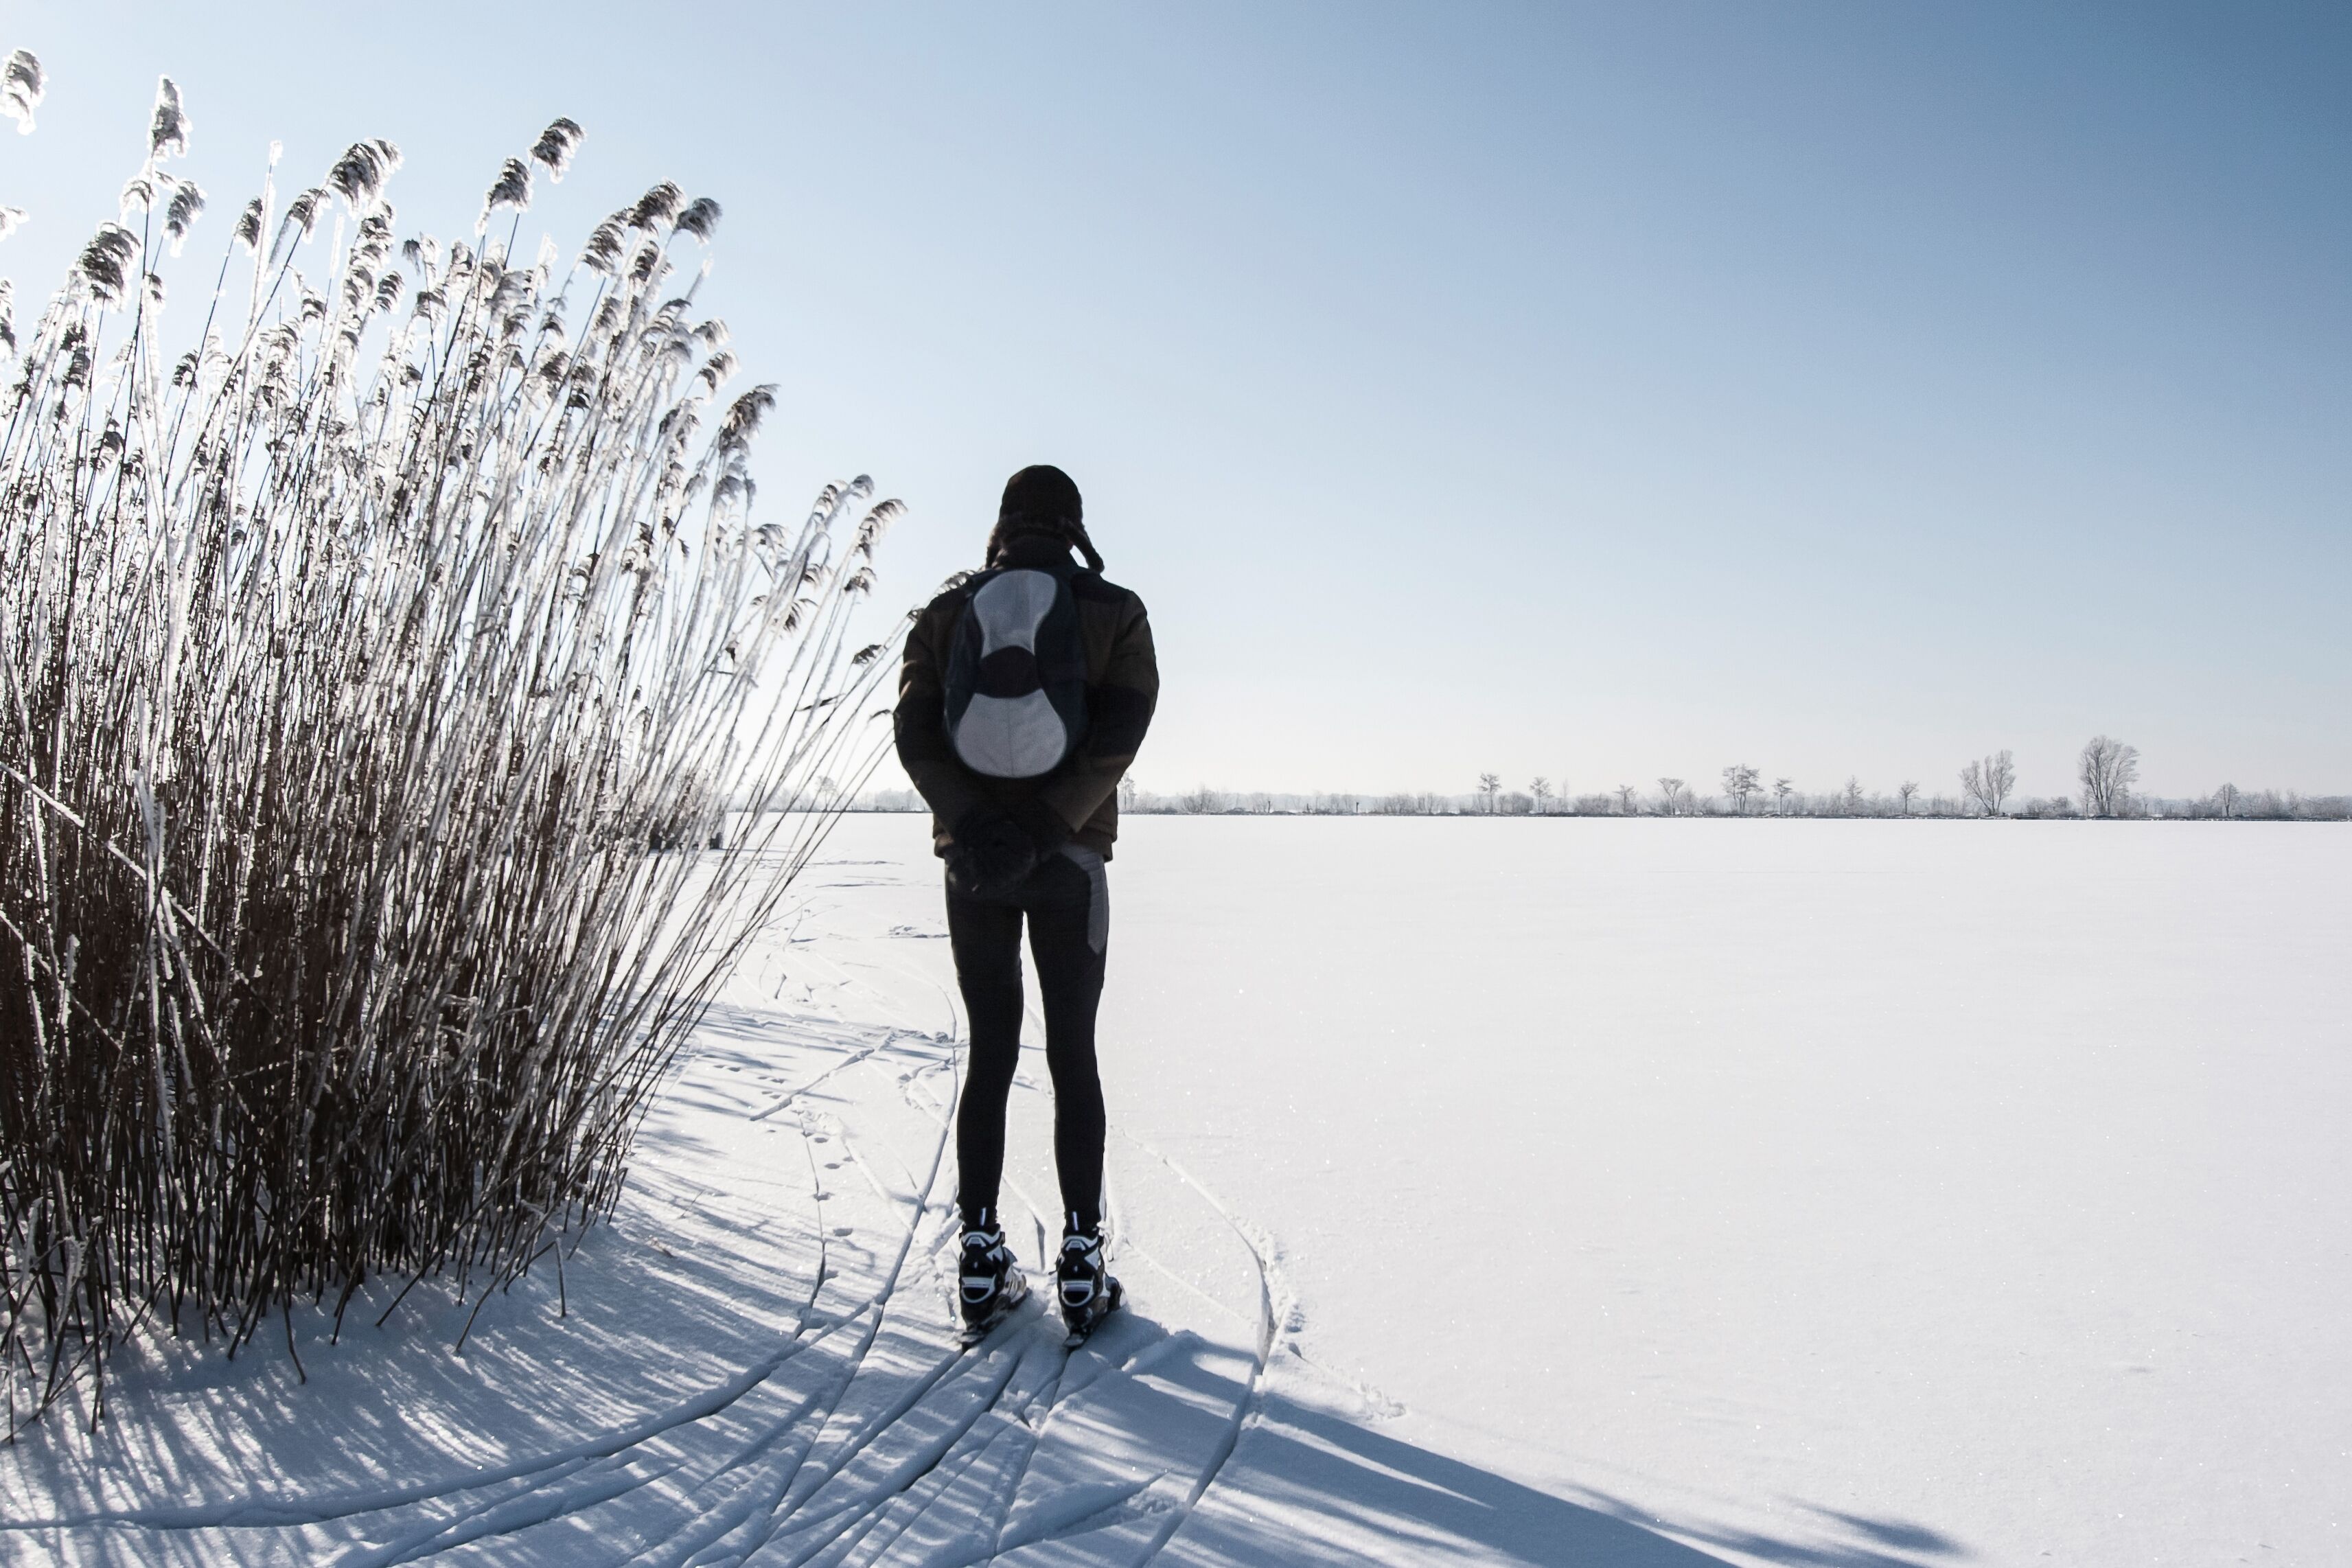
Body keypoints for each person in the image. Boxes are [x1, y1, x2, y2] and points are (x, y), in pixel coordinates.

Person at [894, 464, 1158, 1340]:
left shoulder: (945, 614)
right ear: (1073, 526)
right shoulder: (1116, 611)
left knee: (993, 1055)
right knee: (1073, 1055)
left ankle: (978, 1258)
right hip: (1071, 861)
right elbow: (1122, 732)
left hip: (973, 869)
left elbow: (915, 732)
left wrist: (975, 824)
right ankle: (1082, 1261)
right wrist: (1050, 827)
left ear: (1003, 523)